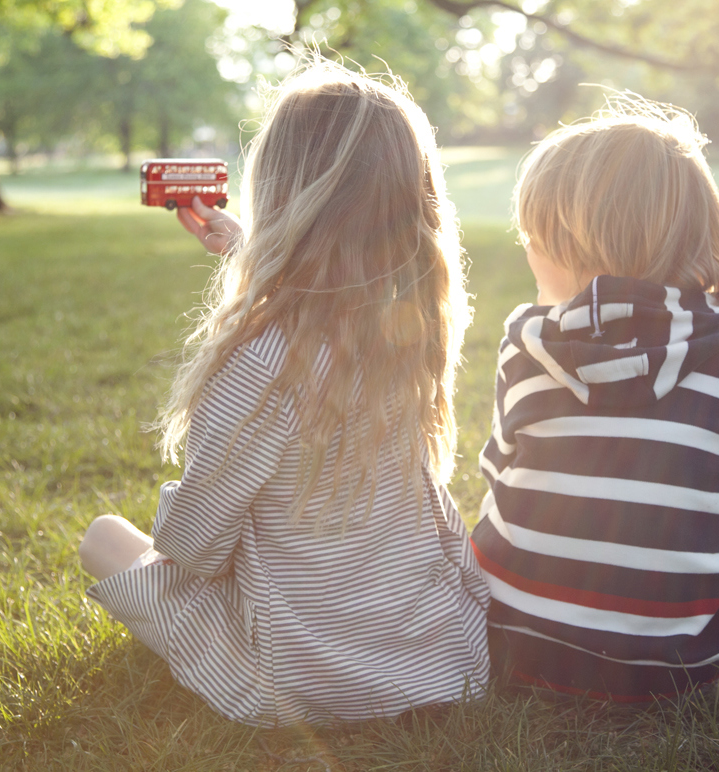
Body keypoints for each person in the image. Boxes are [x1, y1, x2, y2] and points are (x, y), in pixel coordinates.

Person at [78, 61, 491, 727]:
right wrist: (245, 251)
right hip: (438, 662)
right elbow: (332, 286)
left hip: (300, 680)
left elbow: (193, 549)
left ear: (280, 194)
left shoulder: (260, 361)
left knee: (105, 539)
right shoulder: (411, 333)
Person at [471, 96, 719, 702]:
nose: (525, 248)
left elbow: (499, 480)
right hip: (675, 677)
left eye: (532, 234)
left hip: (512, 651)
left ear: (571, 244)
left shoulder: (526, 349)